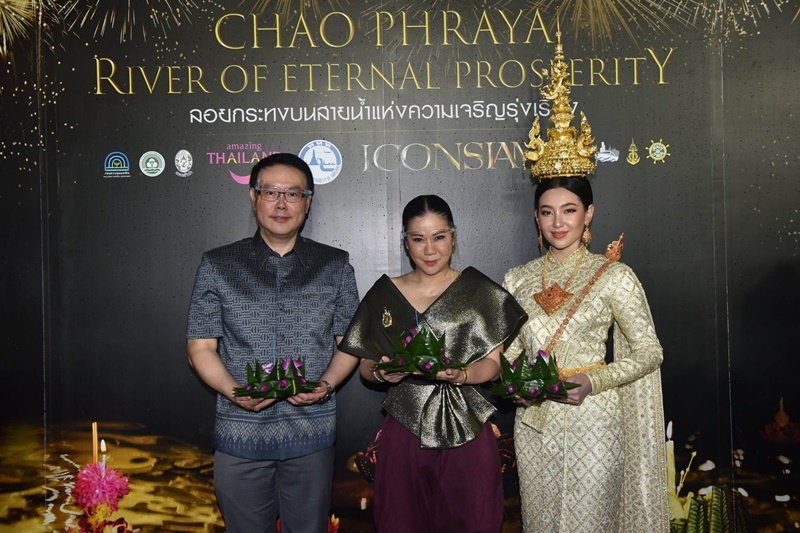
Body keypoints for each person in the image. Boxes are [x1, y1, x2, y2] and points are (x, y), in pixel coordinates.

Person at [186, 152, 360, 533]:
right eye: (271, 192)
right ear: (253, 197)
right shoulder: (218, 265)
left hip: (311, 434)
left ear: (308, 202)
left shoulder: (334, 265)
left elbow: (349, 343)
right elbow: (201, 347)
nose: (281, 204)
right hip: (240, 435)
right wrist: (235, 392)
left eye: (293, 194)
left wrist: (326, 386)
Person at [339, 195, 527, 533]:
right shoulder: (385, 294)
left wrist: (463, 374)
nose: (429, 249)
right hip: (404, 425)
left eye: (439, 237)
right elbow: (367, 367)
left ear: (453, 236)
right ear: (405, 242)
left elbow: (494, 365)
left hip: (467, 423)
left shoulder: (481, 292)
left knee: (474, 519)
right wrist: (383, 373)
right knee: (401, 520)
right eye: (418, 239)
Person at [503, 176, 669, 532]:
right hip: (534, 422)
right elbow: (510, 353)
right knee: (540, 522)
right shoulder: (518, 279)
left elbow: (649, 352)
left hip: (593, 421)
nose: (557, 222)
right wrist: (516, 384)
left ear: (588, 213)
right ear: (536, 217)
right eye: (547, 212)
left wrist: (594, 380)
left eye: (569, 210)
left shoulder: (614, 276)